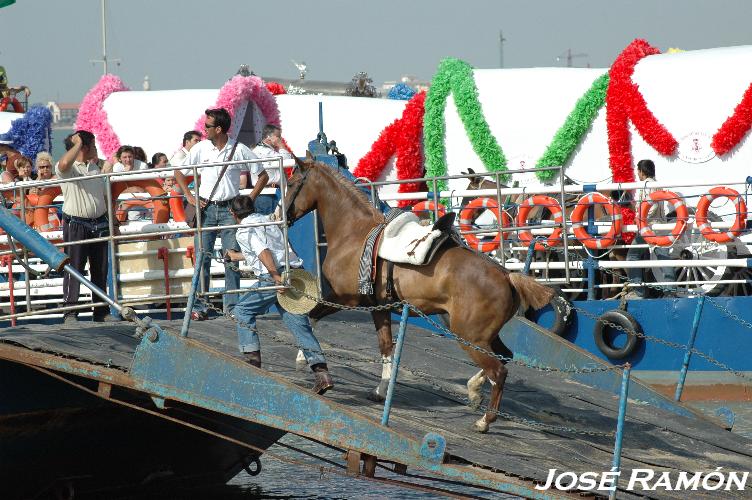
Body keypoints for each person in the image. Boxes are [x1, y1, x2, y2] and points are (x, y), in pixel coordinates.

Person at [224, 195, 334, 394]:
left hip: (274, 276)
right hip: (293, 273)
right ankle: (322, 374)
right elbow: (266, 251)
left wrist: (276, 278)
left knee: (241, 312)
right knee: (298, 324)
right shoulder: (268, 221)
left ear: (232, 213)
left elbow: (264, 252)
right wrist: (235, 256)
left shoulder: (243, 231)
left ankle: (252, 367)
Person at [174, 108, 261, 319]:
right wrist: (190, 196)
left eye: (207, 126)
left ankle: (231, 308)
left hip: (229, 207)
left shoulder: (238, 149)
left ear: (219, 129)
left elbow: (262, 174)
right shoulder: (201, 148)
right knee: (202, 257)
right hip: (207, 207)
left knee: (231, 258)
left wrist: (248, 200)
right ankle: (201, 306)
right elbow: (179, 171)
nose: (204, 130)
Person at [56, 131, 113, 323]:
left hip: (99, 222)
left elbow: (104, 195)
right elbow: (63, 164)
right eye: (93, 145)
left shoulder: (94, 166)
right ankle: (70, 312)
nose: (96, 149)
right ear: (84, 148)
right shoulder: (68, 168)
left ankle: (101, 311)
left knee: (100, 269)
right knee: (74, 269)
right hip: (77, 223)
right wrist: (79, 142)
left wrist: (113, 220)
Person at [626, 159, 676, 298]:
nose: (637, 174)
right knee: (663, 257)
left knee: (632, 256)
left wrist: (640, 218)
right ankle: (670, 291)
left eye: (638, 171)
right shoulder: (657, 184)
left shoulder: (647, 185)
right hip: (659, 226)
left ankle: (638, 291)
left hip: (648, 227)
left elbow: (651, 206)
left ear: (642, 171)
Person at [250, 124, 293, 215]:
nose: (280, 139)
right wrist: (281, 145)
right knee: (269, 227)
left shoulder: (267, 151)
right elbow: (286, 160)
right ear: (269, 137)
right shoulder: (262, 150)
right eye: (278, 136)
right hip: (267, 195)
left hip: (272, 193)